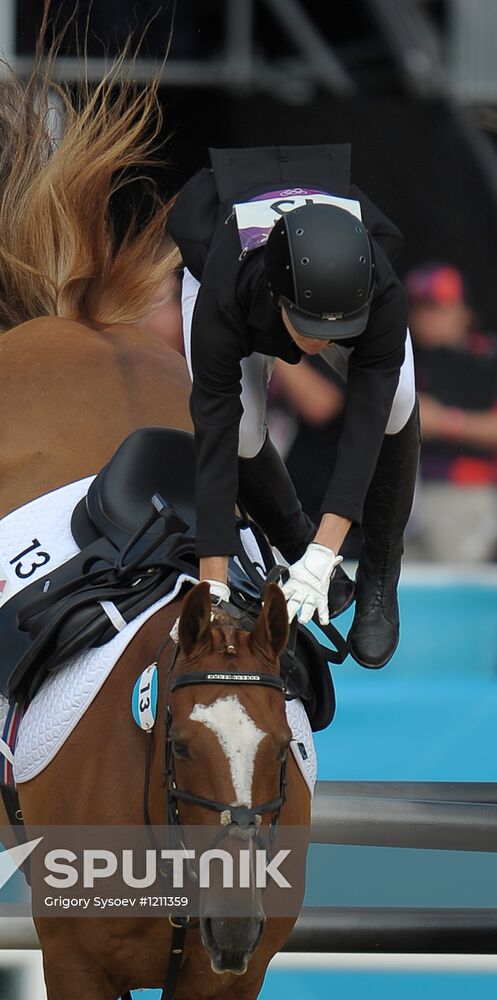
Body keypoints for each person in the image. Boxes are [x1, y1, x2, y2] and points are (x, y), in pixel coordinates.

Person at [168, 144, 420, 668]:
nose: (320, 345)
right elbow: (213, 440)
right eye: (310, 331)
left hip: (341, 275)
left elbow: (365, 423)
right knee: (239, 435)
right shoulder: (224, 297)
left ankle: (379, 574)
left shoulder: (383, 291)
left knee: (396, 400)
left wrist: (330, 553)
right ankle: (294, 537)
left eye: (334, 334)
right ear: (279, 301)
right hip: (230, 262)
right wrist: (211, 587)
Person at [406, 263, 497, 563]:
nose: (426, 318)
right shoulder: (405, 358)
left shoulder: (485, 359)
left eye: (437, 307)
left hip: (465, 490)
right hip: (407, 494)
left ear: (464, 312)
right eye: (419, 308)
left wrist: (446, 421)